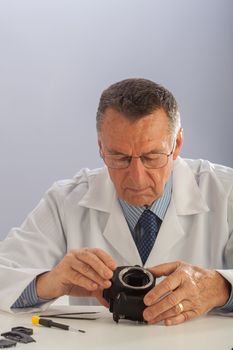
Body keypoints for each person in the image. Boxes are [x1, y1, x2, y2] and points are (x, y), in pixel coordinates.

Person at [0, 78, 232, 326]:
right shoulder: (64, 200)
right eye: (119, 157)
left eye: (151, 156)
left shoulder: (225, 191)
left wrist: (221, 288)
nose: (136, 177)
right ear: (101, 146)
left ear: (176, 145)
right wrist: (47, 282)